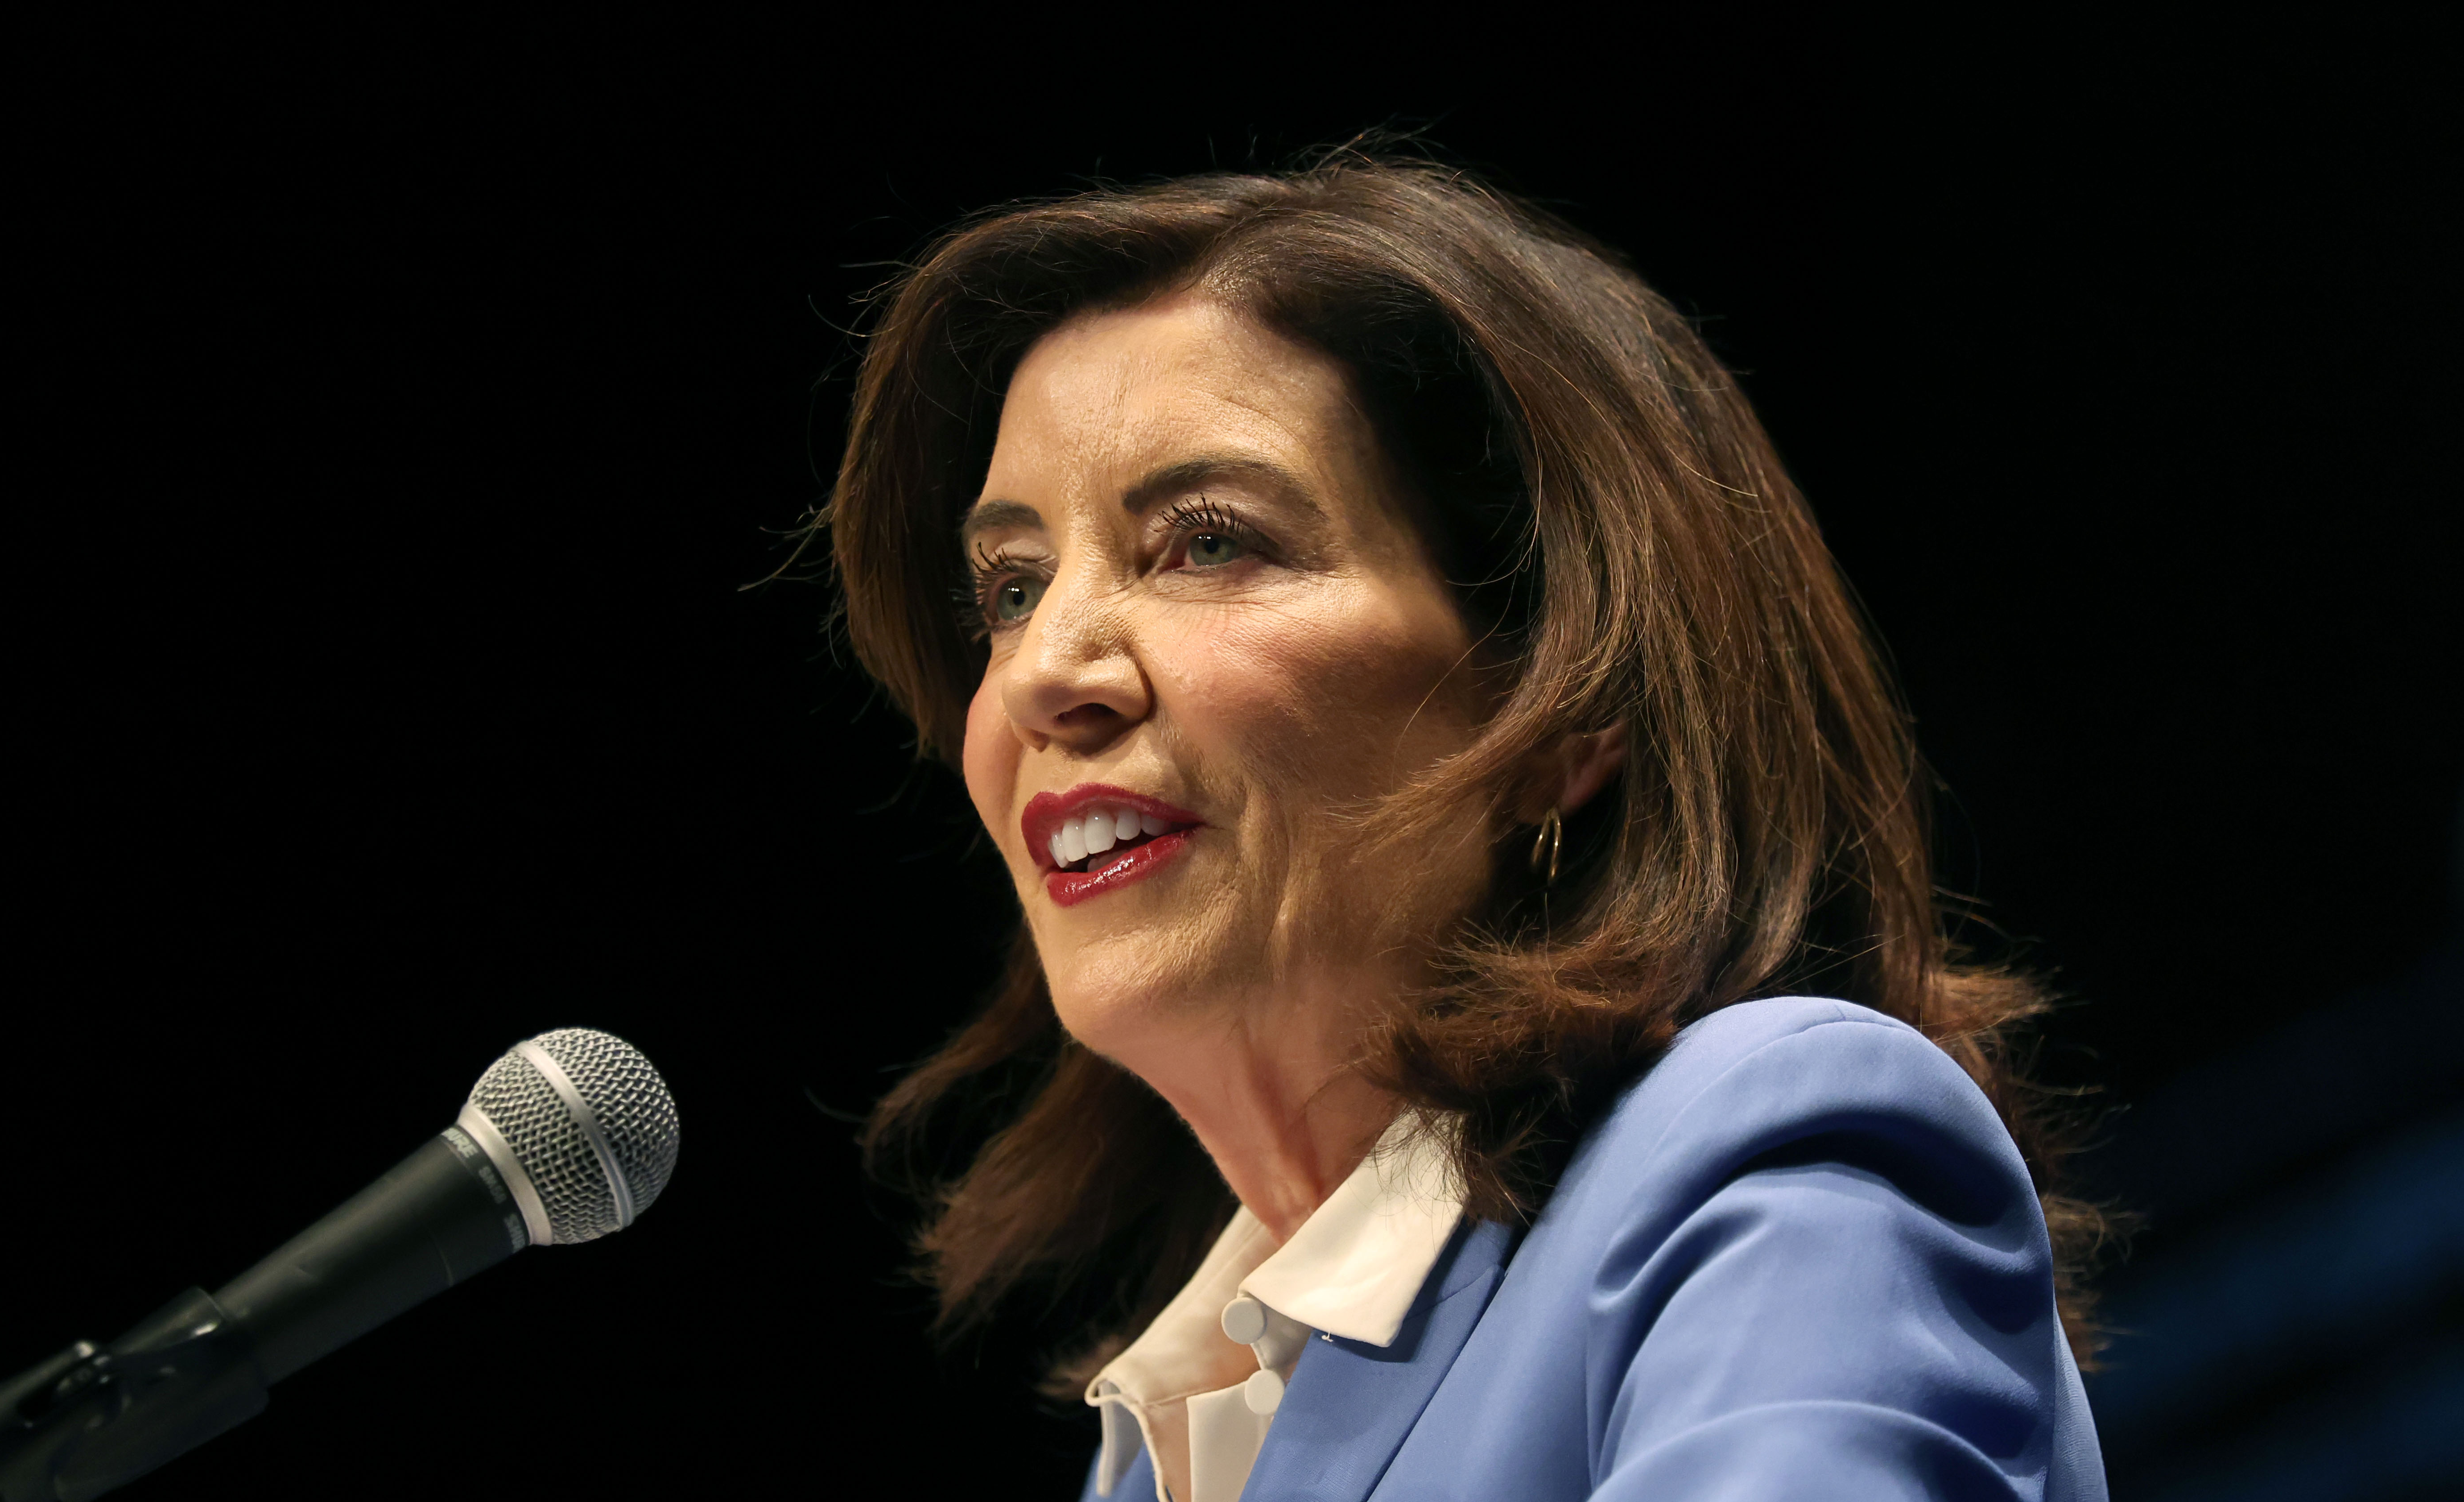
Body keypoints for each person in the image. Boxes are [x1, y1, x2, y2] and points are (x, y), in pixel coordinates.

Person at [828, 155, 2107, 1502]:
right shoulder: (1164, 1452)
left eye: (1208, 543)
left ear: (1567, 709)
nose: (1042, 673)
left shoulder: (1771, 1162)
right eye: (1012, 587)